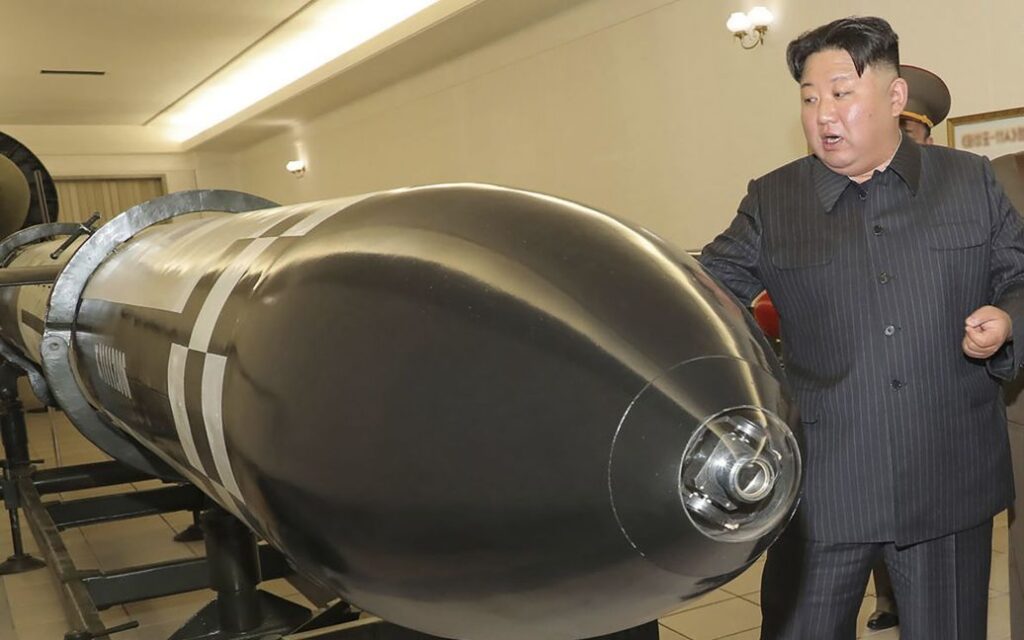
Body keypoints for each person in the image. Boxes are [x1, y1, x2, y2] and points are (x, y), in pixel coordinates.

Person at [699, 16, 1024, 639]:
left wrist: (1008, 320)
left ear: (894, 96)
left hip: (947, 479)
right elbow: (703, 296)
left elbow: (1021, 277)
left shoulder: (969, 182)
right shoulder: (774, 200)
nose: (823, 114)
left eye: (841, 93)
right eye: (809, 98)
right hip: (825, 488)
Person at [865, 62, 953, 632]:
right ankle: (887, 598)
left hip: (937, 382)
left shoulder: (953, 196)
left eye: (912, 132)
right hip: (870, 386)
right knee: (875, 505)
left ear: (926, 137)